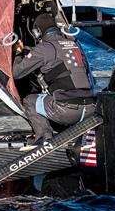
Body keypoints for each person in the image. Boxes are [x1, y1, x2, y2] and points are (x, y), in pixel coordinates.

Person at [12, 13, 96, 152]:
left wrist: (18, 53)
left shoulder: (44, 48)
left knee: (30, 100)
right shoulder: (75, 45)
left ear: (37, 32)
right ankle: (78, 137)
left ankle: (43, 139)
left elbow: (17, 73)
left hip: (67, 111)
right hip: (90, 109)